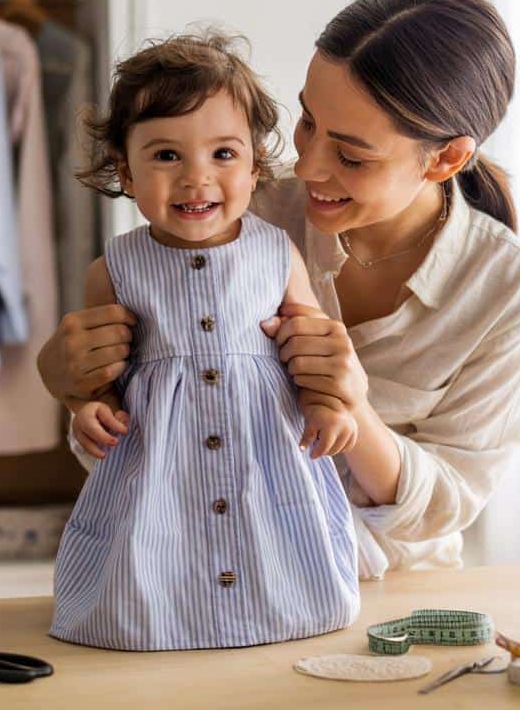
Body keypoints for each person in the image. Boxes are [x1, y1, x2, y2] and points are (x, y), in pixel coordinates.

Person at [38, 0, 520, 578]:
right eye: (308, 122)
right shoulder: (232, 214)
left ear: (446, 159)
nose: (305, 166)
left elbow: (444, 508)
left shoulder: (502, 288)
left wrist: (353, 410)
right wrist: (74, 386)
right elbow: (140, 431)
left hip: (386, 592)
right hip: (210, 571)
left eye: (352, 156)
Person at [49, 33, 360, 651]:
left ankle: (280, 610)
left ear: (253, 165)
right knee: (157, 551)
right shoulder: (113, 266)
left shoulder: (276, 252)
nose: (196, 178)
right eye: (166, 155)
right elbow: (95, 375)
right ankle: (156, 618)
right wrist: (87, 408)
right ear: (124, 168)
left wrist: (330, 405)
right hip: (160, 460)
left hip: (263, 451)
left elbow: (313, 347)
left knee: (273, 540)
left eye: (222, 153)